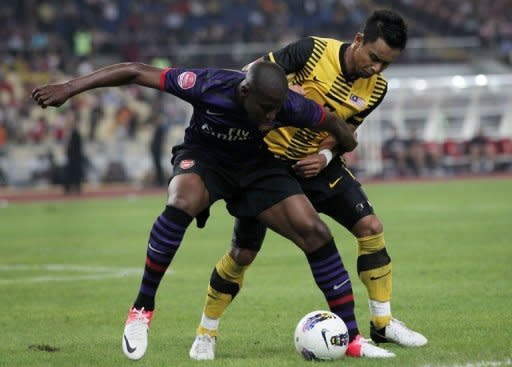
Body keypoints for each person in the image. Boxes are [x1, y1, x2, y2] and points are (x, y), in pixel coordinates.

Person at [31, 61, 367, 361]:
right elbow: (135, 71)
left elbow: (334, 123)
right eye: (265, 108)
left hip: (255, 168)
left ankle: (352, 338)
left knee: (315, 232)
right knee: (181, 202)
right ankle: (142, 308)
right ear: (245, 90)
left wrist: (342, 146)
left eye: (276, 110)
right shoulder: (207, 84)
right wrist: (69, 88)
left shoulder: (290, 106)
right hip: (205, 160)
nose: (271, 117)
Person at [190, 9, 427, 361]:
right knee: (243, 254)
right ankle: (205, 333)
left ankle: (383, 322)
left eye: (386, 64)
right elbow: (250, 76)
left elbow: (346, 132)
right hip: (266, 163)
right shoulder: (312, 51)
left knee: (370, 226)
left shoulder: (376, 88)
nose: (376, 68)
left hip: (315, 163)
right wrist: (284, 87)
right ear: (359, 40)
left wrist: (326, 157)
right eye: (374, 58)